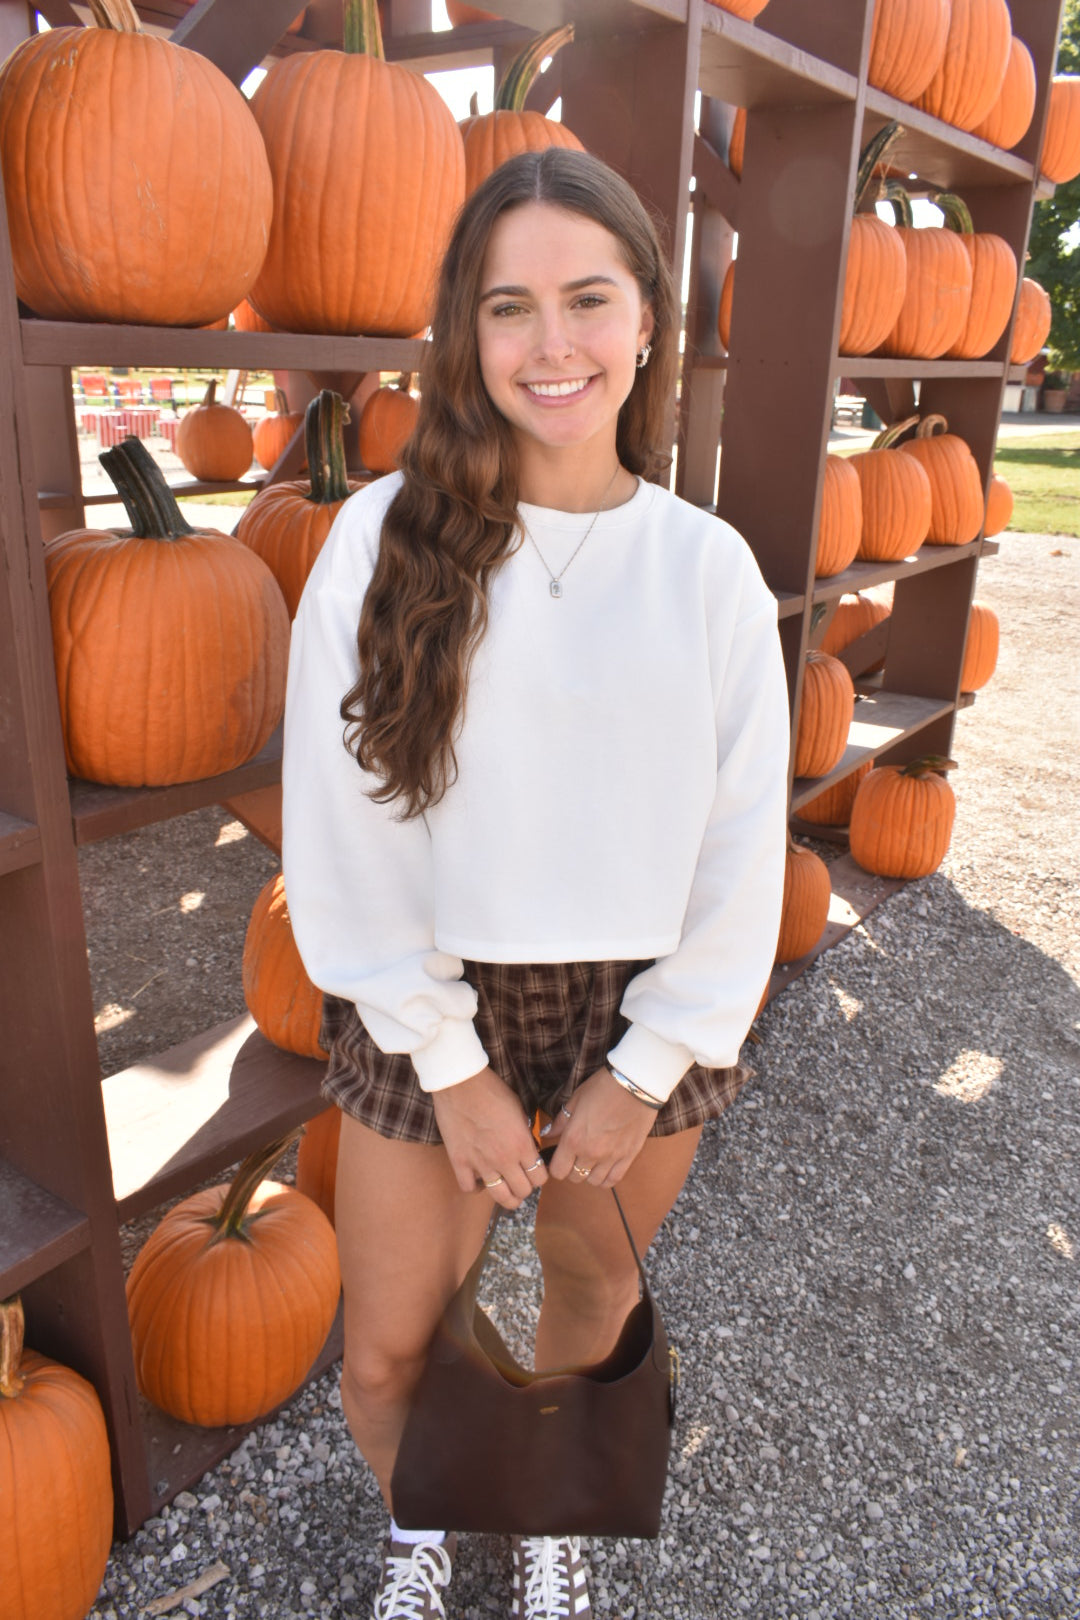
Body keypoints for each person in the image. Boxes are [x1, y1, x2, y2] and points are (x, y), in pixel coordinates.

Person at [282, 147, 790, 1620]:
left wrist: (652, 1060)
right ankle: (425, 1518)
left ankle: (554, 1506)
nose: (551, 344)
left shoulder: (707, 573)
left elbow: (742, 845)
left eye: (588, 299)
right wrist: (447, 1064)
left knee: (585, 1305)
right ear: (468, 332)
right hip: (436, 994)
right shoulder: (380, 544)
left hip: (640, 1009)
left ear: (647, 323)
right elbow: (347, 823)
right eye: (511, 308)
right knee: (388, 1347)